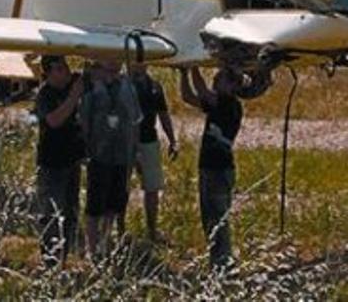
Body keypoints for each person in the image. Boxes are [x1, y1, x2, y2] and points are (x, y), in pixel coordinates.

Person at [180, 65, 242, 269]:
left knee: (218, 217)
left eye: (220, 79)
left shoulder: (229, 104)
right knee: (209, 217)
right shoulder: (217, 103)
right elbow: (189, 97)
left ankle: (223, 261)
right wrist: (183, 74)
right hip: (209, 167)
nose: (215, 82)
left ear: (232, 86)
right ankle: (217, 259)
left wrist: (193, 66)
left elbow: (202, 91)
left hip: (219, 169)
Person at [80, 58, 141, 258]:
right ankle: (92, 247)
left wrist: (135, 151)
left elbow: (135, 120)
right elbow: (84, 121)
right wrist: (86, 149)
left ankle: (105, 243)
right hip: (99, 154)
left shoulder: (128, 88)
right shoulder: (92, 90)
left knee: (114, 202)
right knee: (95, 202)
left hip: (122, 154)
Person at [34, 55, 85, 268]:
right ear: (50, 72)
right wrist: (74, 97)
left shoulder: (72, 84)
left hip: (72, 161)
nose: (66, 71)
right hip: (52, 163)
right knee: (52, 213)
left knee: (71, 211)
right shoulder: (44, 95)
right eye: (60, 68)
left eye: (66, 67)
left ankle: (63, 258)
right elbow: (54, 121)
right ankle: (50, 261)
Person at [121, 63, 178, 243]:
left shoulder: (154, 86)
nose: (139, 65)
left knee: (152, 187)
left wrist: (172, 140)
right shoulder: (121, 83)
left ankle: (152, 230)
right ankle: (120, 229)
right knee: (122, 186)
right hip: (125, 141)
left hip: (149, 139)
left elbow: (163, 114)